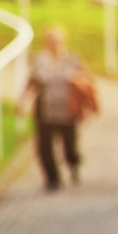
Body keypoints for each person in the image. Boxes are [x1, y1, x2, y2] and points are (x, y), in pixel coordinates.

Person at [19, 27, 91, 192]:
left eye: (56, 41)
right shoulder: (39, 60)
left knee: (69, 147)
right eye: (50, 41)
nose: (53, 44)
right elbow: (31, 81)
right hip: (45, 109)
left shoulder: (72, 60)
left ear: (64, 41)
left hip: (67, 110)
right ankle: (52, 179)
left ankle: (73, 165)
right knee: (44, 147)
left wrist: (78, 83)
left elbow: (86, 82)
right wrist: (23, 100)